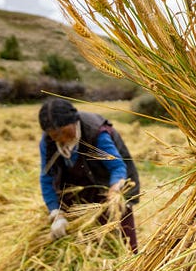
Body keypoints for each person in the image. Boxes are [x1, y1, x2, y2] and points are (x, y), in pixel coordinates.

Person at [38, 97, 140, 252]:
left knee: (121, 222)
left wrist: (114, 190)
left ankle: (131, 261)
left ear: (74, 122)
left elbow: (117, 167)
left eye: (63, 132)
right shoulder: (48, 142)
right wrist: (56, 213)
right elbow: (47, 177)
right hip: (77, 185)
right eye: (54, 135)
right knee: (86, 236)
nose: (60, 138)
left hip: (109, 179)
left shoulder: (96, 133)